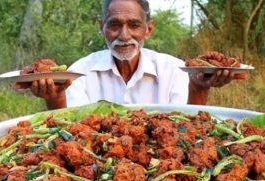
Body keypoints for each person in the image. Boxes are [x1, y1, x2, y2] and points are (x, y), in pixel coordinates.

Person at [16, 0, 235, 110]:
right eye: (114, 25)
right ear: (101, 27)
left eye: (134, 25)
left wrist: (199, 88)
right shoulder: (79, 72)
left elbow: (190, 128)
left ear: (148, 30)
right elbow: (69, 131)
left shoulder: (175, 70)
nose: (124, 35)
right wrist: (54, 98)